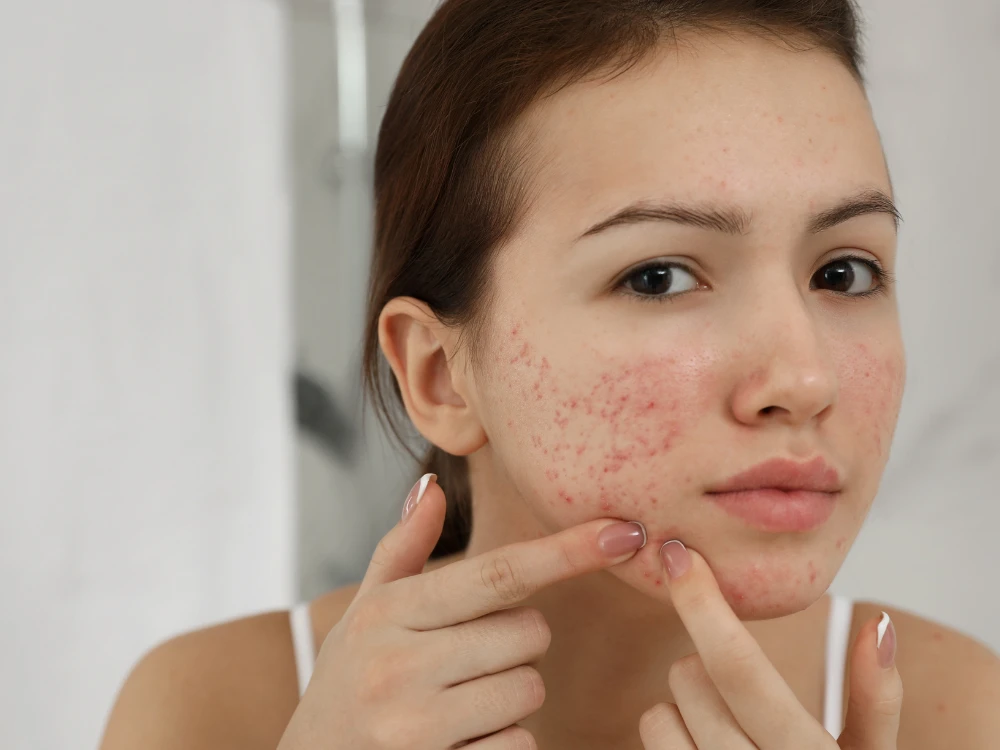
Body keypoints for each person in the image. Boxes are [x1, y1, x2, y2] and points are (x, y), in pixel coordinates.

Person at [99, 1, 1000, 748]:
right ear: (441, 375)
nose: (803, 380)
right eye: (659, 277)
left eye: (844, 272)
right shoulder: (213, 712)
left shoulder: (960, 714)